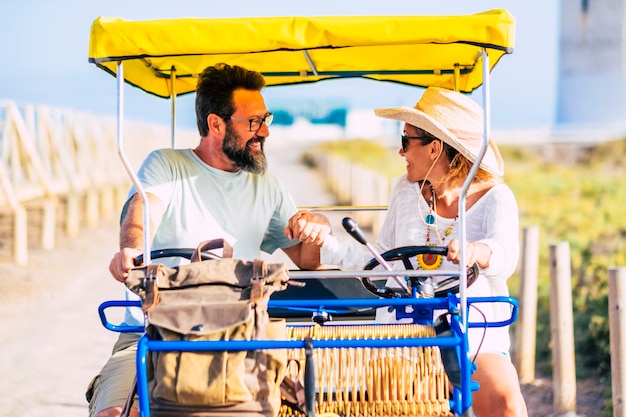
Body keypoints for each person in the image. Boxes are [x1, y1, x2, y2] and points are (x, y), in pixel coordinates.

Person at [87, 63, 329, 417]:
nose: (265, 132)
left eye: (266, 119)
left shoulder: (267, 184)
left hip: (244, 333)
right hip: (154, 330)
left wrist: (316, 226)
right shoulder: (167, 166)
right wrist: (132, 249)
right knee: (114, 412)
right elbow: (142, 212)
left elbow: (307, 260)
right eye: (253, 122)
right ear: (216, 124)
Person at [287, 86, 529, 417]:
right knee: (390, 399)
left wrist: (477, 251)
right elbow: (379, 262)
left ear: (435, 149)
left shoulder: (496, 198)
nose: (400, 153)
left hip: (473, 329)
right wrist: (324, 240)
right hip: (404, 330)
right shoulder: (404, 190)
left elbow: (504, 257)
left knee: (508, 404)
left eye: (406, 141)